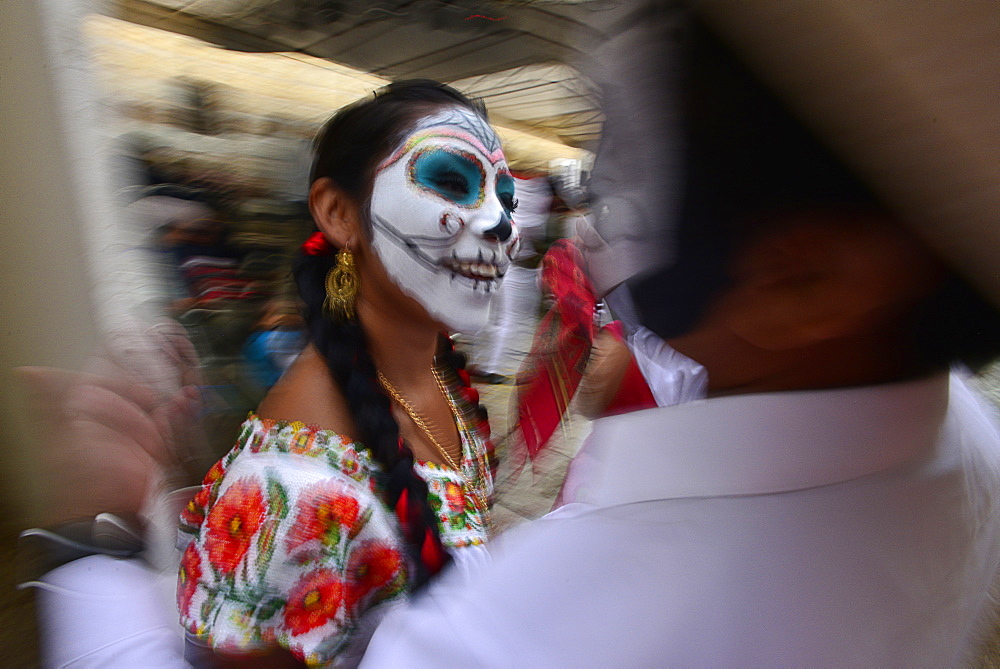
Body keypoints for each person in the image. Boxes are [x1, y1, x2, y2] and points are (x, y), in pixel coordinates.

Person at [360, 5, 1000, 666]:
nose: (601, 183)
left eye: (636, 141)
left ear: (807, 278)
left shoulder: (497, 643)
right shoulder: (973, 442)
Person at [174, 80, 518, 665]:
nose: (499, 223)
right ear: (337, 213)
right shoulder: (293, 491)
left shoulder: (443, 383)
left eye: (505, 197)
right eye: (453, 183)